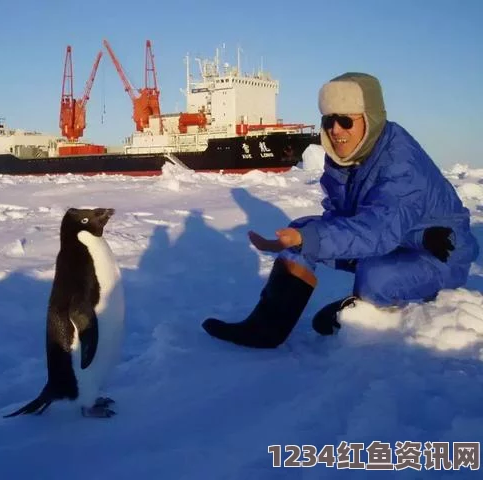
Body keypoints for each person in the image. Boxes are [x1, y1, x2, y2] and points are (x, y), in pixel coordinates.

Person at [202, 72, 479, 348]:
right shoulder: (346, 157)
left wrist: (311, 240)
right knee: (303, 232)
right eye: (329, 120)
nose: (336, 130)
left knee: (376, 278)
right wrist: (303, 240)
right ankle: (265, 328)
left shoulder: (402, 164)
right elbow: (342, 218)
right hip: (395, 241)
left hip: (439, 252)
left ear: (370, 118)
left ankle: (365, 308)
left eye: (346, 120)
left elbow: (377, 231)